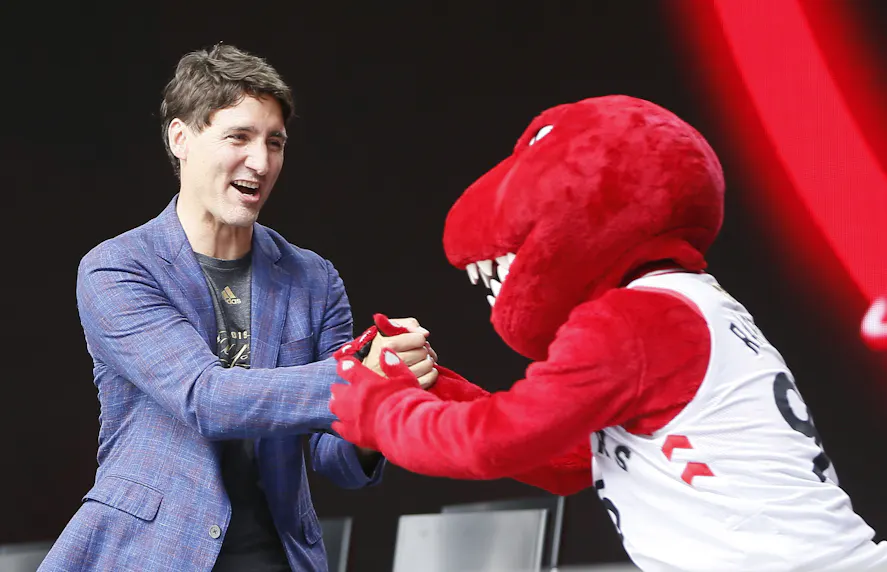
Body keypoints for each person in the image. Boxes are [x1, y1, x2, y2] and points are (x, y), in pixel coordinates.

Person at [330, 96, 887, 570]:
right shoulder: (692, 302)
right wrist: (428, 387)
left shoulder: (633, 319)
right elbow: (568, 458)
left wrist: (372, 403)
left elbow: (491, 443)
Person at [39, 44, 437, 572]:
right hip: (150, 554)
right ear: (180, 138)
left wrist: (386, 389)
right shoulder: (118, 268)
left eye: (275, 143)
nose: (262, 161)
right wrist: (357, 375)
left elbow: (333, 456)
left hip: (277, 557)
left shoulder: (313, 278)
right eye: (239, 137)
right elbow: (205, 398)